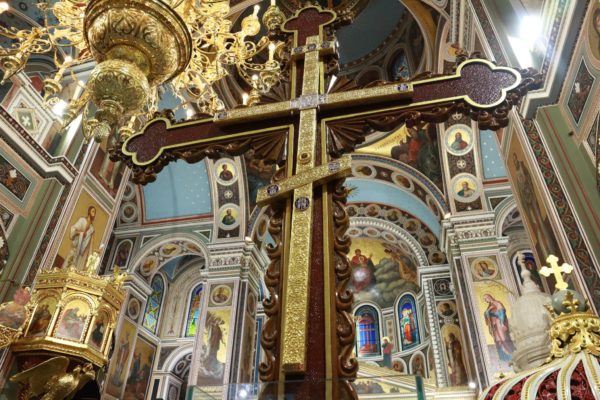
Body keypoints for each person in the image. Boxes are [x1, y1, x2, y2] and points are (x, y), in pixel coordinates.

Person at [483, 293, 515, 362]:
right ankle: (504, 357)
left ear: (489, 297)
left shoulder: (497, 303)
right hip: (494, 326)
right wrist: (486, 313)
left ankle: (510, 354)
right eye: (484, 299)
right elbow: (487, 316)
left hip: (499, 324)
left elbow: (502, 313)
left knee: (503, 339)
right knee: (498, 341)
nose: (485, 300)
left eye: (485, 298)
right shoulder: (489, 306)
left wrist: (502, 323)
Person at [62, 206, 96, 270]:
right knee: (67, 267)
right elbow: (73, 229)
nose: (94, 214)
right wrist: (80, 233)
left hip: (81, 254)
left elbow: (90, 245)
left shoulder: (92, 229)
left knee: (76, 269)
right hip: (75, 249)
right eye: (93, 211)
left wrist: (89, 258)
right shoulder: (82, 220)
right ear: (89, 212)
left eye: (95, 212)